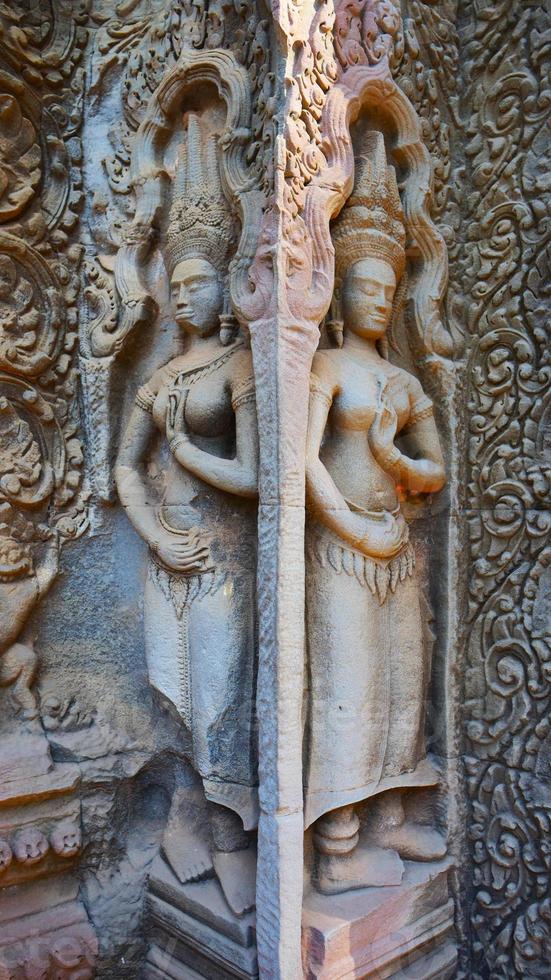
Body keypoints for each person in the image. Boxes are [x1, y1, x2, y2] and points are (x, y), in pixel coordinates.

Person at [115, 116, 258, 915]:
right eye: (176, 283)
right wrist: (153, 537)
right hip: (166, 552)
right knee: (173, 693)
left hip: (220, 556)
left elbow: (256, 476)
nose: (183, 293)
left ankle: (233, 835)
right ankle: (189, 814)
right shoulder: (163, 372)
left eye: (198, 279)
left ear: (225, 283)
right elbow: (123, 470)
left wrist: (189, 452)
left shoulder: (238, 364)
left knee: (222, 697)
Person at [305, 134, 447, 895]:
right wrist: (350, 523)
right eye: (364, 285)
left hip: (400, 547)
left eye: (389, 288)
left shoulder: (397, 378)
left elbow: (436, 469)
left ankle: (390, 813)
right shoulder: (328, 367)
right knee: (348, 687)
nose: (379, 298)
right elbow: (300, 458)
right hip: (341, 548)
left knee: (401, 685)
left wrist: (395, 462)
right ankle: (338, 845)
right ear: (339, 291)